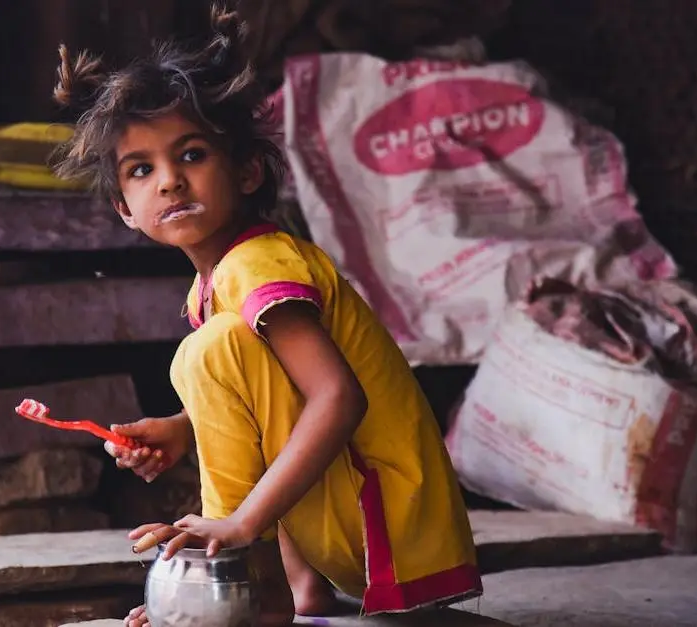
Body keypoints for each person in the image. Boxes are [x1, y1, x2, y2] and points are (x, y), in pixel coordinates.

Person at [51, 6, 481, 626]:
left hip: (384, 518)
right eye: (142, 169)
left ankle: (242, 582)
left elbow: (338, 398)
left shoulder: (258, 262)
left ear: (248, 170)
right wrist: (183, 427)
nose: (169, 181)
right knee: (211, 358)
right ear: (124, 207)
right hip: (371, 521)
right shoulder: (214, 281)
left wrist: (242, 526)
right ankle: (287, 591)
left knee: (203, 354)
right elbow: (269, 395)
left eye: (192, 155)